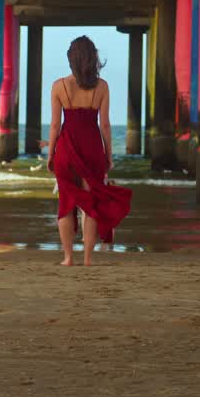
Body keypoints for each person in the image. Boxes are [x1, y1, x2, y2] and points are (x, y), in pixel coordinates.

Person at [47, 36, 132, 266]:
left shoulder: (58, 86)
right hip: (92, 146)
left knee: (66, 202)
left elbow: (55, 125)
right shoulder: (102, 87)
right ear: (93, 58)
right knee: (91, 202)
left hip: (67, 146)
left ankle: (67, 258)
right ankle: (87, 258)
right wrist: (109, 155)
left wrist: (51, 154)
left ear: (71, 60)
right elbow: (105, 125)